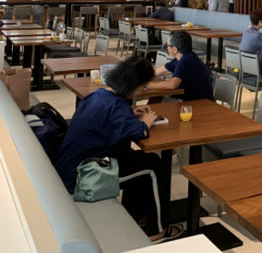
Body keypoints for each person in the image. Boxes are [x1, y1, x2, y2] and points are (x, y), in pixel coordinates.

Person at [55, 57, 181, 241]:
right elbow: (140, 132)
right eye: (143, 87)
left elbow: (109, 121)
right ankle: (158, 230)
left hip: (71, 167)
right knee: (152, 165)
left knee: (134, 159)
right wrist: (145, 122)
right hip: (84, 176)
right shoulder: (117, 107)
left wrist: (130, 113)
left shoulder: (98, 95)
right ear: (133, 85)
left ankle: (135, 217)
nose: (143, 91)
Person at [148, 31, 213, 101]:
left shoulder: (187, 60)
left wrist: (147, 86)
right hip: (190, 101)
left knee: (157, 99)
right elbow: (157, 71)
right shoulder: (181, 58)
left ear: (175, 49)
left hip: (199, 105)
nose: (166, 48)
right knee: (156, 97)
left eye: (167, 45)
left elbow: (172, 84)